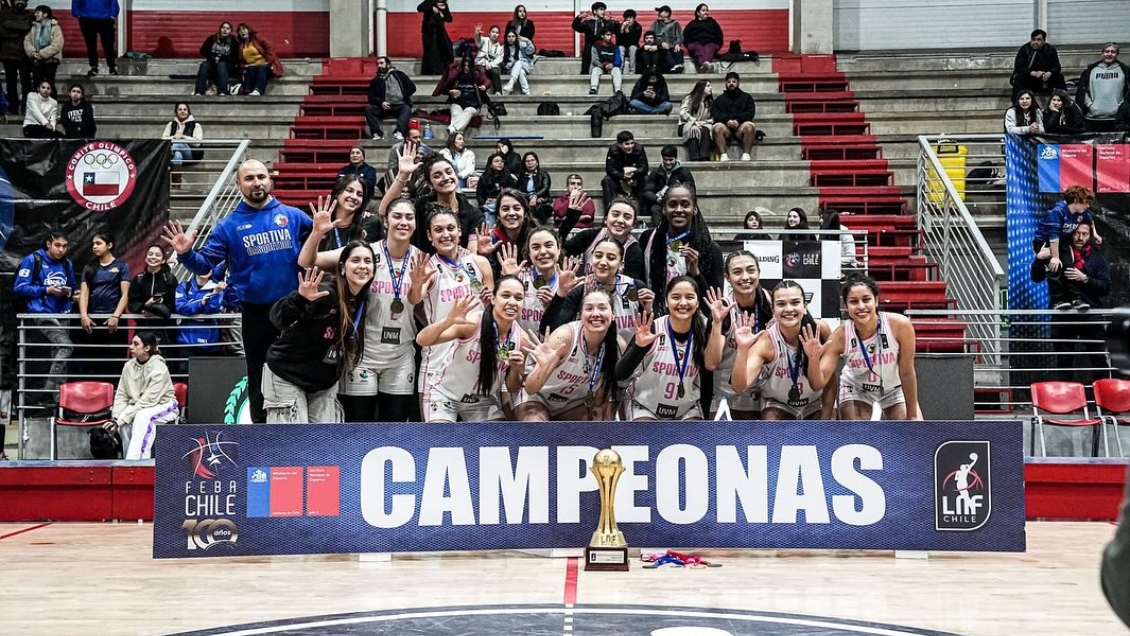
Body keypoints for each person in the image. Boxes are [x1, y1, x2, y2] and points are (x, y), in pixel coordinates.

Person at [161, 158, 314, 423]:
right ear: (238, 184)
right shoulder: (228, 227)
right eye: (249, 178)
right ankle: (260, 435)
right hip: (256, 314)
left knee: (301, 370)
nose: (257, 182)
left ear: (270, 179)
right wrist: (186, 254)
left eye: (261, 176)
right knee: (258, 376)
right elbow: (204, 263)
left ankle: (303, 432)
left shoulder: (293, 216)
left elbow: (319, 248)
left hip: (296, 308)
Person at [300, 199, 428, 423]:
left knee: (395, 428)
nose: (403, 222)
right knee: (358, 428)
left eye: (409, 217)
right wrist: (317, 233)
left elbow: (418, 302)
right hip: (361, 356)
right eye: (397, 216)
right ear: (385, 222)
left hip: (400, 358)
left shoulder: (422, 261)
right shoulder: (363, 255)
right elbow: (307, 262)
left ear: (416, 224)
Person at [264, 244, 373, 424]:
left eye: (368, 261)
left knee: (325, 446)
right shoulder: (325, 292)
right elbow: (277, 318)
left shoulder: (362, 301)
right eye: (356, 260)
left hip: (323, 382)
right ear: (343, 269)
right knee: (291, 445)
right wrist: (299, 298)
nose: (362, 266)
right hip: (288, 373)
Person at [416, 275, 526, 422]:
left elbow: (513, 387)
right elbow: (421, 340)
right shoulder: (473, 323)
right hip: (445, 396)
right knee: (441, 441)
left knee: (496, 442)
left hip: (482, 401)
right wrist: (448, 320)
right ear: (493, 299)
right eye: (505, 296)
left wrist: (515, 368)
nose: (512, 302)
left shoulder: (521, 338)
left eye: (518, 298)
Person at [813, 274, 921, 420]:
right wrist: (813, 358)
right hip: (856, 388)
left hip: (894, 388)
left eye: (866, 299)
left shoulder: (900, 325)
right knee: (857, 433)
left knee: (910, 433)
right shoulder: (841, 335)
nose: (861, 306)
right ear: (846, 306)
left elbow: (907, 373)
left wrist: (913, 416)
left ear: (876, 301)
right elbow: (820, 381)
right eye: (853, 301)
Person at [414, 206, 493, 402]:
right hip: (438, 359)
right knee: (436, 432)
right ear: (429, 236)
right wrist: (416, 285)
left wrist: (490, 300)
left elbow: (493, 308)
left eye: (450, 228)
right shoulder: (428, 269)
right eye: (438, 230)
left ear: (459, 230)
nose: (446, 234)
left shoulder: (480, 263)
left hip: (475, 358)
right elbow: (415, 299)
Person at [616, 276, 722, 420]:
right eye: (676, 297)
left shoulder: (703, 334)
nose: (683, 302)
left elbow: (707, 379)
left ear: (697, 303)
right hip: (645, 406)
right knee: (647, 435)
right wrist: (638, 347)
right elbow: (620, 374)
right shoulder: (652, 328)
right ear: (666, 302)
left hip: (686, 409)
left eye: (689, 297)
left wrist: (705, 422)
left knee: (694, 440)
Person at [730, 280, 835, 420]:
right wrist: (742, 349)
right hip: (778, 404)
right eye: (781, 304)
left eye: (795, 303)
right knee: (771, 421)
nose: (789, 309)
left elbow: (829, 380)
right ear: (773, 310)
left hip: (815, 403)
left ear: (805, 307)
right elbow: (739, 387)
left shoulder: (821, 330)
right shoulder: (765, 342)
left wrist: (827, 414)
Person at [520, 288, 624, 421]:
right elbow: (530, 389)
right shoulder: (565, 337)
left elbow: (600, 400)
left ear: (613, 314)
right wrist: (543, 368)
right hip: (538, 398)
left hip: (571, 404)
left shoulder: (616, 346)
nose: (596, 314)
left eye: (602, 308)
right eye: (589, 308)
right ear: (581, 314)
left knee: (601, 423)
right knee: (537, 428)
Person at [541, 235, 653, 343]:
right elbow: (549, 331)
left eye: (611, 258)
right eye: (598, 256)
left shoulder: (635, 287)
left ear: (621, 264)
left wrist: (649, 311)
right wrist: (561, 292)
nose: (603, 262)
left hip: (627, 358)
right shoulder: (581, 290)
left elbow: (650, 333)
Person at [704, 251, 773, 420]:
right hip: (728, 396)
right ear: (727, 277)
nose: (745, 277)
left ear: (759, 272)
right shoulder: (723, 309)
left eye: (751, 270)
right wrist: (717, 323)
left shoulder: (774, 303)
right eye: (737, 272)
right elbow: (711, 363)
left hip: (765, 394)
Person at [12, 230, 75, 404]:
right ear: (48, 244)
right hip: (42, 311)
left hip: (63, 312)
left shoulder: (67, 263)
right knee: (66, 348)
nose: (61, 250)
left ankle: (58, 403)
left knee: (61, 356)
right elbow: (19, 287)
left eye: (64, 246)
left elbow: (71, 285)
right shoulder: (33, 260)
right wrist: (46, 290)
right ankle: (48, 390)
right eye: (57, 245)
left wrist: (69, 293)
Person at [640, 183, 723, 314]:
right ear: (663, 209)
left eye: (685, 204)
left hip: (695, 325)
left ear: (695, 209)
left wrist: (696, 273)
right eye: (672, 204)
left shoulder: (710, 249)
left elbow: (714, 305)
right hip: (658, 322)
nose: (678, 209)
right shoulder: (648, 239)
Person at [385, 146, 483, 252]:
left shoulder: (473, 214)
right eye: (437, 176)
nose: (446, 178)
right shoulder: (420, 207)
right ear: (429, 184)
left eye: (449, 172)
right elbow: (386, 210)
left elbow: (472, 253)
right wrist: (403, 175)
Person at [107, 332, 178, 460]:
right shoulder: (128, 366)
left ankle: (139, 463)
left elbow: (147, 402)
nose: (131, 347)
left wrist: (122, 419)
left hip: (164, 405)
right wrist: (116, 418)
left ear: (147, 348)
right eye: (131, 343)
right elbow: (121, 395)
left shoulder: (159, 368)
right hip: (138, 406)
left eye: (136, 344)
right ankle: (127, 463)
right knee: (125, 421)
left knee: (143, 417)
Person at [77, 232, 130, 382]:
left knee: (115, 361)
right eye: (93, 244)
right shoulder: (89, 268)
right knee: (94, 361)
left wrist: (115, 316)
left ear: (109, 245)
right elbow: (84, 293)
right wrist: (84, 315)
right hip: (93, 321)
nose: (94, 247)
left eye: (98, 243)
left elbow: (125, 294)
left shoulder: (121, 266)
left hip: (115, 322)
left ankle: (114, 398)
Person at [559, 195, 645, 280]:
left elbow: (631, 285)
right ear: (605, 219)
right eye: (615, 214)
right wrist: (569, 221)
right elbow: (559, 252)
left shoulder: (633, 250)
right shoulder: (590, 236)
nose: (620, 220)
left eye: (627, 217)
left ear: (633, 225)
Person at [476, 189, 539, 280]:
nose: (511, 213)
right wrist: (484, 256)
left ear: (525, 213)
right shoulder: (492, 242)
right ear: (498, 215)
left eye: (517, 208)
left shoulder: (536, 239)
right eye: (505, 209)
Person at [1035, 185, 1101, 269]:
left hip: (1062, 242)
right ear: (1076, 200)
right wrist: (1055, 257)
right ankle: (1039, 259)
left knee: (1069, 267)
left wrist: (1095, 234)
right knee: (1055, 268)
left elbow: (1090, 220)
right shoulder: (1058, 212)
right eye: (1086, 202)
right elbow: (1053, 236)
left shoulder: (1081, 212)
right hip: (1046, 242)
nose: (1088, 206)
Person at [174, 265, 227, 369]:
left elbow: (212, 309)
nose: (204, 269)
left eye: (207, 266)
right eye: (200, 265)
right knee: (184, 376)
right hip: (186, 341)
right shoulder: (184, 286)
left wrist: (214, 293)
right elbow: (180, 307)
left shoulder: (217, 288)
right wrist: (201, 303)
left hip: (209, 342)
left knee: (206, 377)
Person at [313, 174, 379, 253]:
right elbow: (307, 261)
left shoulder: (369, 223)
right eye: (349, 190)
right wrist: (317, 234)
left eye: (359, 194)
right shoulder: (321, 223)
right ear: (337, 193)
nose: (354, 197)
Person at [128, 244, 179, 342]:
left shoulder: (170, 279)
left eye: (157, 255)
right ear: (146, 258)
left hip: (165, 329)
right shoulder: (139, 279)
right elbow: (132, 302)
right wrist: (144, 307)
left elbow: (174, 303)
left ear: (163, 260)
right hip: (143, 327)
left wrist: (157, 309)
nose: (153, 257)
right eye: (150, 254)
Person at [1077, 43, 1130, 133]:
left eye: (1113, 52)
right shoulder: (1090, 71)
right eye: (1107, 51)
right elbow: (1083, 91)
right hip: (1093, 119)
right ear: (1102, 54)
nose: (1109, 54)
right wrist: (1091, 106)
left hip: (1116, 119)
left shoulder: (1125, 71)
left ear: (1117, 54)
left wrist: (1120, 107)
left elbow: (1128, 92)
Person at [365, 56, 416, 141]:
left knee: (406, 109)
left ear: (388, 64)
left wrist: (402, 96)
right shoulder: (375, 81)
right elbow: (371, 96)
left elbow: (412, 87)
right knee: (369, 110)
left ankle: (399, 132)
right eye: (377, 64)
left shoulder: (399, 75)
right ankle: (377, 134)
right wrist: (381, 102)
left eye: (381, 63)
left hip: (399, 105)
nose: (379, 66)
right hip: (383, 107)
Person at [642, 145, 695, 226]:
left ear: (676, 158)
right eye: (665, 160)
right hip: (661, 203)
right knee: (654, 209)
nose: (668, 162)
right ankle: (660, 231)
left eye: (671, 160)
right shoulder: (656, 173)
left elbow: (691, 190)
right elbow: (647, 191)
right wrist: (657, 199)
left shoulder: (684, 172)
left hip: (678, 202)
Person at [711, 72, 757, 162]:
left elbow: (750, 113)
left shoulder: (747, 97)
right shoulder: (719, 99)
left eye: (734, 81)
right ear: (725, 84)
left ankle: (746, 155)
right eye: (728, 81)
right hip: (725, 126)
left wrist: (738, 120)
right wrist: (727, 121)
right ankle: (723, 155)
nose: (731, 83)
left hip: (741, 125)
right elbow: (716, 114)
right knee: (717, 128)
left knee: (749, 127)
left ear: (738, 83)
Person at [435, 57, 487, 135]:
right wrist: (450, 91)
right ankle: (456, 131)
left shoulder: (476, 75)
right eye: (465, 66)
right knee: (456, 112)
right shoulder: (456, 75)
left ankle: (453, 128)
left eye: (468, 66)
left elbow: (487, 81)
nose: (466, 68)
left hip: (473, 105)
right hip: (458, 103)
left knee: (468, 112)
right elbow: (443, 89)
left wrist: (484, 86)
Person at [1, 0, 33, 115]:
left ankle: (25, 109)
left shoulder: (30, 15)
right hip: (7, 54)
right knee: (11, 84)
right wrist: (20, 31)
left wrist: (10, 26)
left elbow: (29, 28)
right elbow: (2, 31)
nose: (20, 1)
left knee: (27, 84)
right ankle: (12, 109)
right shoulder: (4, 13)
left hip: (24, 55)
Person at [601, 131, 648, 209]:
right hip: (619, 180)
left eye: (632, 143)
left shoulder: (639, 149)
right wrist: (622, 176)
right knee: (606, 180)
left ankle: (644, 211)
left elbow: (644, 168)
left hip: (636, 179)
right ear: (619, 145)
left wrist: (634, 174)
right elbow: (610, 169)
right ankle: (610, 208)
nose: (630, 146)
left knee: (646, 179)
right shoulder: (613, 150)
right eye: (627, 144)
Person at [161, 102, 203, 189]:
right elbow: (163, 139)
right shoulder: (171, 125)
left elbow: (198, 142)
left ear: (188, 112)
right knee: (177, 155)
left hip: (190, 153)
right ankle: (176, 186)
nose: (182, 111)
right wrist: (174, 137)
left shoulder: (196, 125)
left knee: (179, 143)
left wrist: (183, 137)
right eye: (180, 109)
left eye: (185, 109)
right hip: (178, 154)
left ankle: (168, 154)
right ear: (176, 112)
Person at [1011, 29, 1065, 96]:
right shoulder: (1024, 49)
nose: (1035, 42)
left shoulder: (1050, 49)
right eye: (1033, 39)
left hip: (1046, 78)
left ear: (1044, 41)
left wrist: (1050, 73)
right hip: (1030, 77)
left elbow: (1057, 66)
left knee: (1059, 77)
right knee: (1020, 78)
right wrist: (1033, 73)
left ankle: (1064, 101)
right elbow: (1019, 67)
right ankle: (1016, 103)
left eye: (1038, 40)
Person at [236, 23, 284, 96]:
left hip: (265, 65)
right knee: (250, 69)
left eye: (244, 29)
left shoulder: (257, 38)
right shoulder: (241, 45)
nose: (242, 31)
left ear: (249, 30)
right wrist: (245, 66)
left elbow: (270, 48)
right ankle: (247, 91)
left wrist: (268, 61)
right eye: (240, 30)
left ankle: (258, 90)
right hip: (253, 66)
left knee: (262, 69)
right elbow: (241, 60)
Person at [71, 0, 117, 76]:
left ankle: (112, 67)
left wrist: (112, 15)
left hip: (106, 19)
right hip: (86, 18)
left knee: (108, 44)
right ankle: (93, 66)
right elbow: (75, 3)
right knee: (91, 45)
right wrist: (78, 15)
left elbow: (113, 2)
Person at [22, 4, 60, 96]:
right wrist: (33, 53)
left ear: (45, 14)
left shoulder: (55, 27)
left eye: (38, 13)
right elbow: (27, 41)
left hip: (51, 60)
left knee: (49, 84)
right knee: (37, 84)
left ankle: (52, 107)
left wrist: (42, 53)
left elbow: (56, 44)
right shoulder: (33, 27)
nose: (35, 14)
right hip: (36, 60)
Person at [194, 21, 238, 96]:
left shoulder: (233, 42)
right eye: (223, 28)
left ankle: (222, 91)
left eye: (227, 28)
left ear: (230, 31)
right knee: (205, 65)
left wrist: (221, 58)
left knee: (221, 65)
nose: (225, 30)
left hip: (227, 67)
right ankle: (199, 91)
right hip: (212, 63)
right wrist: (213, 57)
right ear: (220, 29)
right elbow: (203, 51)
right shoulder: (212, 39)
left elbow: (234, 57)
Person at [573, 2, 615, 76]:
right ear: (595, 11)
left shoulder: (606, 22)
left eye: (604, 10)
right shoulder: (588, 22)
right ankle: (585, 73)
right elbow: (576, 27)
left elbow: (615, 31)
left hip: (603, 47)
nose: (603, 12)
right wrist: (579, 18)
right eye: (601, 9)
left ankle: (605, 70)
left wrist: (615, 22)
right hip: (590, 46)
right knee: (588, 49)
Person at [476, 152, 516, 226]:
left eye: (501, 161)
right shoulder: (484, 178)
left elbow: (513, 193)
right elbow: (479, 195)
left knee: (492, 209)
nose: (500, 163)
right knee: (489, 210)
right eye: (496, 161)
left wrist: (498, 200)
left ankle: (491, 229)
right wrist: (485, 202)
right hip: (488, 204)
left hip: (504, 203)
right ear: (490, 165)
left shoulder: (508, 177)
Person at [679, 79, 714, 162]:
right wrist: (694, 121)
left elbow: (713, 117)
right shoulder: (689, 98)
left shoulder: (709, 102)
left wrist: (705, 122)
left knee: (705, 130)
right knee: (693, 130)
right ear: (701, 87)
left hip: (703, 124)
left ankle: (704, 156)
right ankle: (694, 157)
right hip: (686, 123)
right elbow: (683, 112)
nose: (711, 88)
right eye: (708, 86)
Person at [683, 3, 722, 73]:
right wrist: (688, 45)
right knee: (699, 48)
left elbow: (719, 34)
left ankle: (704, 65)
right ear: (698, 13)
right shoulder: (693, 24)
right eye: (703, 10)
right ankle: (707, 65)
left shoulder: (712, 22)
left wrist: (718, 44)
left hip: (710, 43)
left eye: (707, 10)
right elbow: (685, 35)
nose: (706, 12)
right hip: (696, 44)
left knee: (709, 47)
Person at [418, 0, 454, 75]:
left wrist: (443, 16)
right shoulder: (430, 2)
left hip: (440, 31)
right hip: (429, 32)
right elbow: (419, 8)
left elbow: (449, 18)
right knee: (431, 51)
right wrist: (432, 8)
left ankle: (442, 70)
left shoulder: (444, 5)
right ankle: (431, 70)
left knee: (445, 49)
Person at [518, 151, 552, 224]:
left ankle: (543, 229)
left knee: (538, 208)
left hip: (543, 201)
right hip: (526, 201)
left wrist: (536, 196)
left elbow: (545, 188)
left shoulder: (543, 174)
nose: (530, 163)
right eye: (527, 161)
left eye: (532, 160)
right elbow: (519, 191)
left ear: (537, 162)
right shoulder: (521, 176)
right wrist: (530, 197)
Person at [588, 27, 623, 95]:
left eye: (611, 35)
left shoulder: (615, 47)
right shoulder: (596, 46)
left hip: (611, 67)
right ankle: (593, 88)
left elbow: (619, 59)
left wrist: (613, 64)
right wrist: (603, 65)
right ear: (602, 36)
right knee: (595, 70)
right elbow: (594, 60)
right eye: (607, 35)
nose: (610, 37)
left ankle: (618, 90)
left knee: (617, 70)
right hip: (600, 66)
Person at [650, 5, 684, 73]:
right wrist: (661, 43)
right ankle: (674, 65)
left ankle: (678, 66)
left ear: (667, 13)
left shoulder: (675, 23)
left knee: (679, 52)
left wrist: (677, 44)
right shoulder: (656, 24)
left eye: (661, 12)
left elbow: (679, 36)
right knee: (665, 51)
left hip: (672, 46)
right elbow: (652, 36)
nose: (659, 14)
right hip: (661, 47)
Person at [500, 29, 535, 96]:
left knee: (519, 62)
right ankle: (527, 92)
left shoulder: (521, 45)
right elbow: (505, 65)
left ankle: (511, 83)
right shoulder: (503, 48)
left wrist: (527, 41)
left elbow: (531, 50)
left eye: (513, 36)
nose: (511, 38)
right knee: (521, 72)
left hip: (525, 66)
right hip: (511, 70)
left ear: (516, 37)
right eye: (509, 36)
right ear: (506, 38)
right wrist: (512, 63)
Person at [474, 23, 504, 94]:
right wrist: (477, 34)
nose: (495, 34)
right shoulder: (484, 40)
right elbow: (478, 42)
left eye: (497, 33)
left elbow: (499, 59)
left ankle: (498, 92)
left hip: (491, 66)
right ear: (489, 33)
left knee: (495, 71)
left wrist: (490, 64)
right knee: (481, 71)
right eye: (493, 32)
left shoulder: (500, 47)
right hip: (480, 64)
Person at [619, 10, 642, 75]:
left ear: (634, 18)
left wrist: (627, 32)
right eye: (626, 18)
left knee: (632, 48)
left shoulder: (638, 27)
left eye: (630, 17)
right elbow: (619, 41)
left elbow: (634, 41)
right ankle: (619, 70)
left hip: (633, 45)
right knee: (620, 48)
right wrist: (622, 30)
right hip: (623, 45)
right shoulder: (621, 25)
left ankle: (632, 71)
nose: (628, 20)